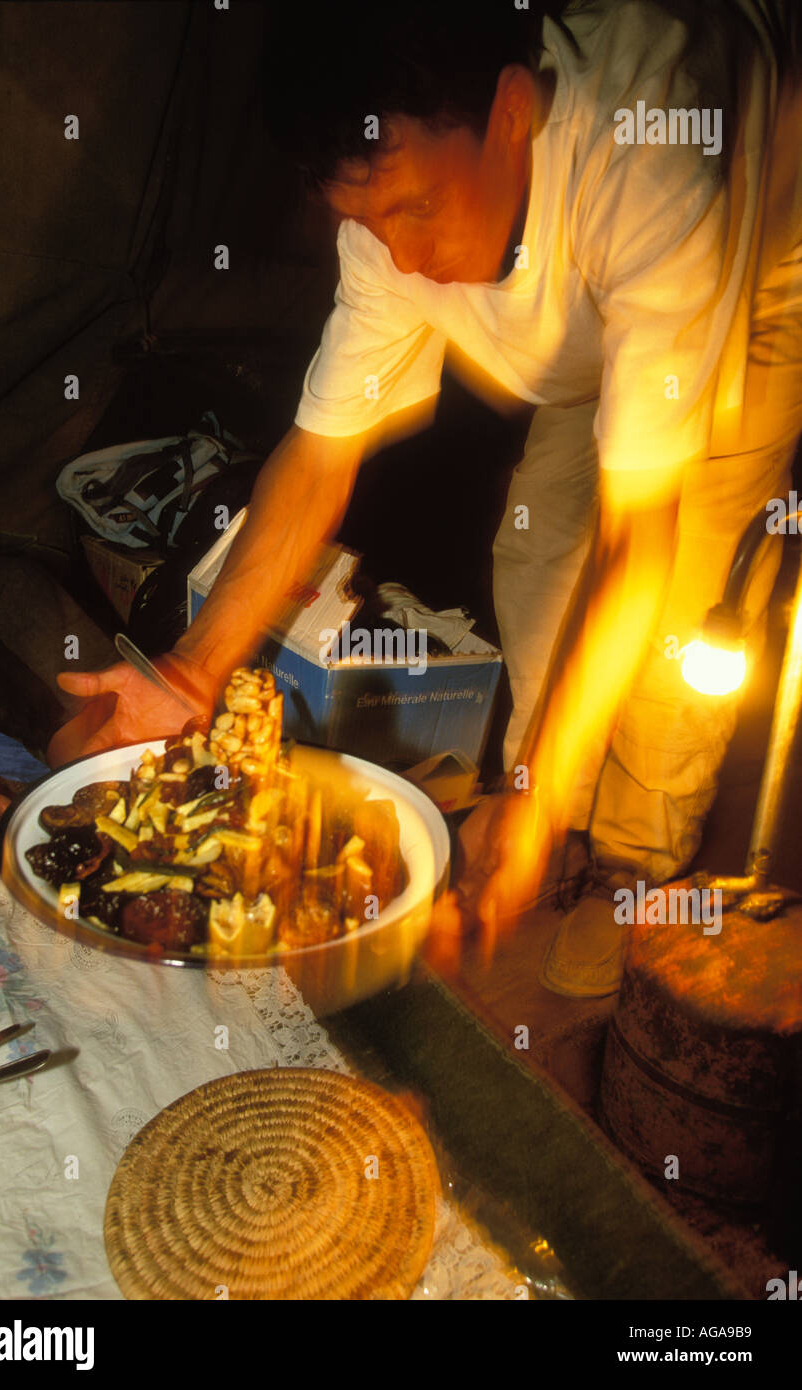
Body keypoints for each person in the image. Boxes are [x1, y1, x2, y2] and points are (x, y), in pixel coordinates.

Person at [50, 0, 802, 996]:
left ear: (509, 112)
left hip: (752, 257)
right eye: (366, 221)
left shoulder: (647, 161)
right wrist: (190, 671)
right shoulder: (387, 222)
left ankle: (631, 874)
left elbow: (640, 547)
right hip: (593, 320)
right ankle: (556, 820)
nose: (401, 256)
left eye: (415, 209)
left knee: (674, 621)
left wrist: (533, 795)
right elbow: (317, 461)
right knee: (535, 563)